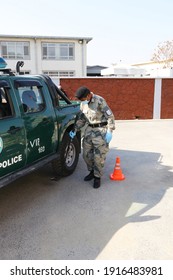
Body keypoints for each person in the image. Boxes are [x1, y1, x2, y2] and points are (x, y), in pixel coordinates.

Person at [69, 86, 115, 188]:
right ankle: (91, 172)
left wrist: (110, 131)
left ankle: (97, 177)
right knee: (86, 155)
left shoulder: (99, 101)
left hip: (100, 131)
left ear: (88, 95)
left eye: (83, 99)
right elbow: (82, 118)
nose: (82, 101)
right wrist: (75, 129)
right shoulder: (83, 104)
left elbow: (110, 116)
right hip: (89, 130)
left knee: (98, 157)